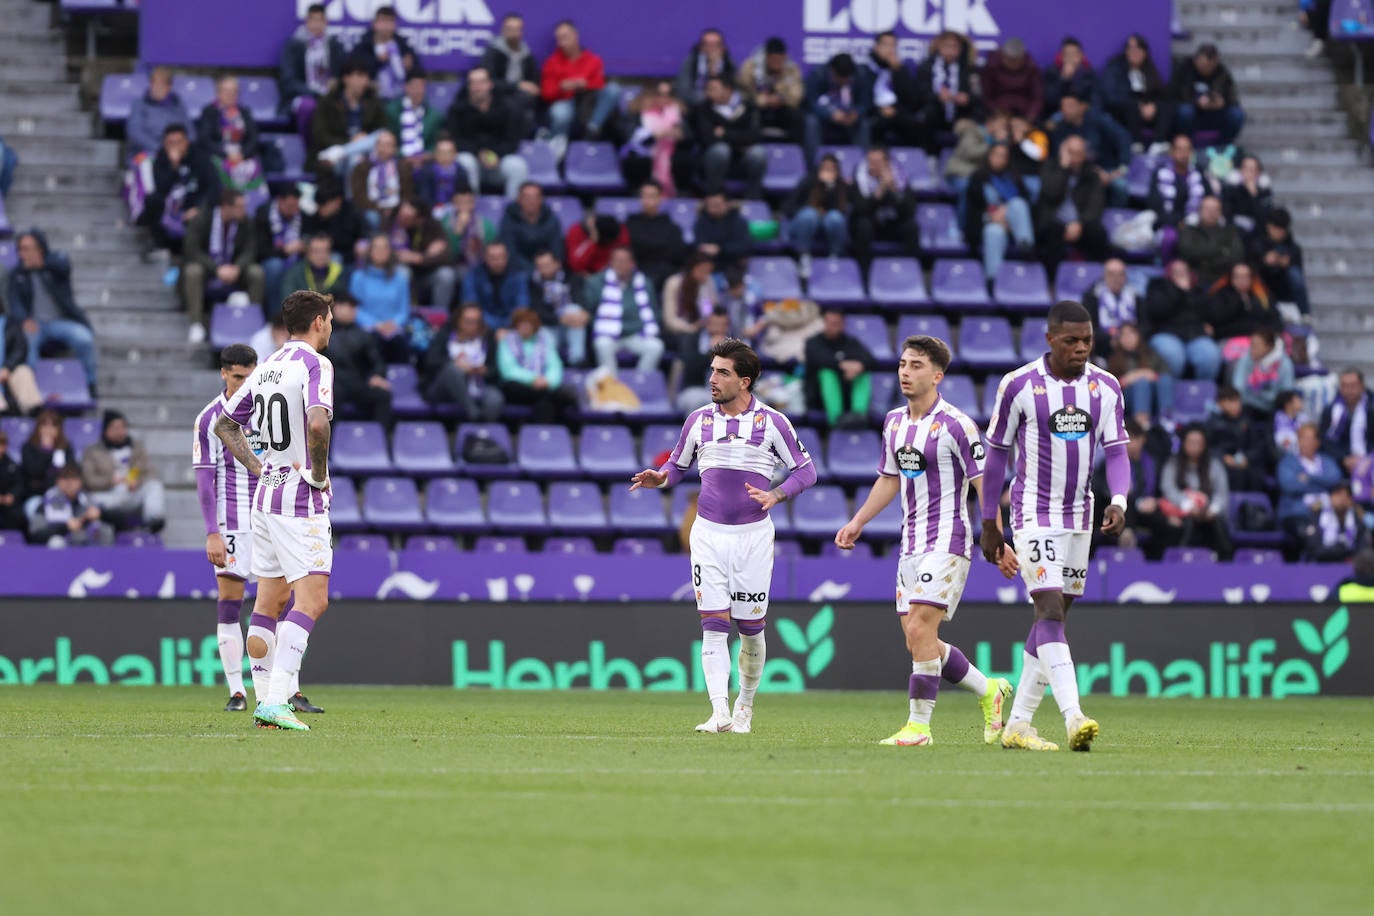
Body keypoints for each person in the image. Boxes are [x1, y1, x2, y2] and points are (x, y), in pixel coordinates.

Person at [835, 334, 1016, 747]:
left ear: (937, 375)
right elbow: (889, 477)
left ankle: (919, 728)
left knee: (919, 629)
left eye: (915, 365)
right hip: (910, 543)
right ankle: (989, 690)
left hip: (948, 540)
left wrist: (997, 539)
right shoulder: (894, 422)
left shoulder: (956, 424)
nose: (905, 371)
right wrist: (858, 521)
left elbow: (984, 486)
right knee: (920, 640)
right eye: (902, 363)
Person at [630, 338, 817, 733]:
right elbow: (678, 465)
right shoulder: (698, 419)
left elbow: (806, 471)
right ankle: (719, 712)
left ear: (744, 381)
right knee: (713, 624)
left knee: (751, 630)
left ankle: (745, 707)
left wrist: (777, 493)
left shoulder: (773, 423)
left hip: (752, 537)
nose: (712, 379)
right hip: (708, 535)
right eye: (712, 370)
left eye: (722, 372)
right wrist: (661, 477)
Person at [981, 300, 1131, 752]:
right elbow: (996, 457)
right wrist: (990, 522)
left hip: (1080, 515)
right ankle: (1074, 717)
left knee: (1054, 620)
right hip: (1033, 514)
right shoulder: (1019, 385)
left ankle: (1019, 723)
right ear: (1050, 339)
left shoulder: (1106, 387)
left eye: (1087, 340)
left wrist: (1119, 500)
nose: (1081, 347)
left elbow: (1119, 451)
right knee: (1048, 611)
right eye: (1071, 340)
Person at [215, 289, 336, 731]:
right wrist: (319, 477)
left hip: (265, 495)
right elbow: (318, 423)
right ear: (319, 321)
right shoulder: (314, 364)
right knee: (312, 598)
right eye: (330, 318)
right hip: (300, 498)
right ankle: (277, 697)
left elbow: (225, 424)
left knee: (269, 600)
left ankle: (266, 699)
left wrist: (258, 466)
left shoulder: (265, 368)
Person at [192, 343, 324, 716]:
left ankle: (288, 690)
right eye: (237, 377)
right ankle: (237, 690)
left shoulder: (267, 403)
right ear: (223, 374)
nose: (244, 383)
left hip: (275, 511)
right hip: (234, 522)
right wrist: (211, 531)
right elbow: (204, 480)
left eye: (250, 376)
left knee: (282, 603)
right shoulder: (209, 419)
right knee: (231, 604)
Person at [6, 231, 98, 391]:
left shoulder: (56, 262)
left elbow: (64, 266)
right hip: (35, 324)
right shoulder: (17, 273)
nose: (23, 253)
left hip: (61, 322)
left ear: (40, 248)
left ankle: (90, 383)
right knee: (27, 345)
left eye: (27, 248)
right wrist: (24, 319)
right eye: (21, 249)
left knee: (84, 339)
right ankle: (33, 388)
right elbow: (14, 303)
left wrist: (42, 264)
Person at [182, 190, 264, 343]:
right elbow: (192, 250)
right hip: (209, 270)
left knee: (256, 272)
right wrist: (216, 269)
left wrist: (237, 268)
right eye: (240, 207)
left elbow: (250, 249)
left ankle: (252, 322)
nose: (244, 210)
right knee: (193, 271)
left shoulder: (246, 221)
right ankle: (196, 324)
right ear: (226, 206)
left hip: (235, 271)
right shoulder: (202, 218)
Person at [540, 20, 622, 152]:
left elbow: (600, 85)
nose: (562, 43)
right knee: (559, 112)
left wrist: (585, 84)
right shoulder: (551, 62)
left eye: (565, 37)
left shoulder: (593, 60)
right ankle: (558, 150)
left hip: (589, 102)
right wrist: (562, 87)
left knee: (614, 89)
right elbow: (546, 93)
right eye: (559, 39)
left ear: (575, 35)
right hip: (567, 101)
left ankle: (593, 129)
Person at [448, 67, 529, 200]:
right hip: (473, 161)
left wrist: (496, 154)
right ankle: (469, 210)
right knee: (464, 161)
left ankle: (512, 212)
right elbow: (456, 140)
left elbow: (513, 141)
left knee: (518, 165)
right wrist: (479, 153)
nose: (476, 87)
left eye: (480, 83)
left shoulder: (506, 108)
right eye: (472, 83)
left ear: (489, 84)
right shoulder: (458, 110)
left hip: (499, 162)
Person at [80, 410, 165, 533]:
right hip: (107, 495)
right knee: (91, 500)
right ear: (106, 430)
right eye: (115, 428)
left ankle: (153, 522)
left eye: (122, 427)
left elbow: (150, 472)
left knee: (154, 486)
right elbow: (88, 480)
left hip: (130, 493)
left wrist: (137, 481)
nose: (120, 431)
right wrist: (110, 481)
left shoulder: (137, 448)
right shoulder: (93, 452)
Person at [1034, 136, 1107, 276]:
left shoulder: (1091, 174)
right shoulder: (1050, 167)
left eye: (1079, 153)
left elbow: (1096, 204)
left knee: (1098, 233)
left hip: (1080, 223)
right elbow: (1051, 193)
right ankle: (1052, 280)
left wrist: (1080, 223)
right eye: (1071, 152)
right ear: (1063, 152)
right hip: (1053, 222)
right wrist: (1063, 168)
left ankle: (1097, 278)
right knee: (1053, 233)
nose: (1075, 157)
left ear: (1085, 154)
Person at [962, 142, 1035, 281]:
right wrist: (992, 218)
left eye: (1003, 156)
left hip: (1014, 224)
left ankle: (1026, 246)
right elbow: (972, 212)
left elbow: (1027, 207)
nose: (999, 159)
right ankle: (993, 279)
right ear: (989, 156)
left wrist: (1006, 214)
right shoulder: (978, 178)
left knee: (1018, 203)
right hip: (988, 222)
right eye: (996, 155)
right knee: (993, 232)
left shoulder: (1015, 178)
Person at [1143, 259, 1221, 388]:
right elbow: (1158, 311)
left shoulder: (1197, 290)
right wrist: (1178, 290)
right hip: (1166, 332)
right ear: (1169, 274)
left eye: (1184, 271)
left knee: (1210, 355)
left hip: (1194, 334)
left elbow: (1208, 312)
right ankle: (1171, 392)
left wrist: (1207, 324)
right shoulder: (1158, 286)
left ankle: (1201, 393)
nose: (1181, 275)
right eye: (1176, 272)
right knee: (1174, 355)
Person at [143, 124, 219, 256]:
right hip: (170, 208)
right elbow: (160, 188)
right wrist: (174, 166)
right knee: (152, 200)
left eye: (179, 142)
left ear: (187, 142)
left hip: (193, 206)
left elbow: (213, 186)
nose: (175, 146)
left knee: (207, 211)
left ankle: (195, 252)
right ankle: (159, 246)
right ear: (164, 144)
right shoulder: (160, 160)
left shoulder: (201, 158)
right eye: (170, 143)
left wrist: (198, 208)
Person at [1159, 424, 1233, 559]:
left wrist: (1213, 509)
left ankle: (1224, 565)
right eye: (1191, 442)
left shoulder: (1214, 465)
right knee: (1175, 526)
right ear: (1183, 444)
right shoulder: (1173, 464)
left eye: (1198, 443)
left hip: (1208, 515)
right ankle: (1178, 561)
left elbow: (1222, 494)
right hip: (1182, 513)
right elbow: (1168, 488)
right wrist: (1186, 504)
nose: (1194, 446)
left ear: (1204, 445)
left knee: (1219, 527)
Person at [420, 302, 503, 419]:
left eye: (476, 322)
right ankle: (474, 414)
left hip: (478, 384)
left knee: (495, 398)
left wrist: (484, 371)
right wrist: (456, 363)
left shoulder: (488, 338)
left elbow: (495, 369)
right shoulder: (445, 334)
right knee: (453, 370)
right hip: (444, 387)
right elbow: (431, 361)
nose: (472, 325)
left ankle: (482, 433)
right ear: (458, 321)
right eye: (468, 321)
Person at [691, 74, 766, 200]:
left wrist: (725, 133)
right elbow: (707, 138)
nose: (708, 92)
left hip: (742, 161)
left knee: (759, 153)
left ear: (728, 90)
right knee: (721, 150)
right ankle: (714, 196)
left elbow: (756, 136)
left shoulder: (748, 107)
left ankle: (753, 200)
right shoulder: (704, 109)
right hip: (713, 161)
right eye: (707, 89)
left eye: (713, 89)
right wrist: (740, 141)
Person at [589, 247, 664, 372]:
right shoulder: (597, 282)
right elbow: (590, 312)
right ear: (610, 263)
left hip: (636, 334)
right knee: (601, 344)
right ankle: (611, 386)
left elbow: (653, 313)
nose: (620, 264)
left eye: (624, 261)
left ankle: (639, 382)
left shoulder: (644, 283)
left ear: (632, 263)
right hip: (609, 334)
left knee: (656, 346)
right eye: (616, 260)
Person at [278, 3, 345, 141]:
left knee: (340, 107)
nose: (316, 25)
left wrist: (335, 83)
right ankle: (308, 150)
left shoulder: (335, 45)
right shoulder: (294, 45)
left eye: (319, 20)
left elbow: (343, 75)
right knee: (308, 106)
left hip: (330, 96)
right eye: (312, 20)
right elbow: (287, 81)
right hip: (302, 95)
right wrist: (313, 91)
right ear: (306, 22)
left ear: (326, 22)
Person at [496, 308, 576, 423]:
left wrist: (548, 381)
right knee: (513, 386)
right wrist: (533, 379)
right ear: (516, 325)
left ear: (535, 326)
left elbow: (555, 366)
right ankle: (558, 397)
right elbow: (508, 370)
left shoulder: (545, 340)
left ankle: (541, 435)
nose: (525, 327)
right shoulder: (506, 340)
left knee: (544, 404)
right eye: (521, 324)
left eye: (528, 324)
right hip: (518, 388)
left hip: (542, 387)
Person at [326, 293, 393, 427]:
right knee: (330, 397)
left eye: (354, 307)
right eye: (349, 306)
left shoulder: (364, 335)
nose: (353, 310)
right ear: (336, 307)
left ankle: (382, 442)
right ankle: (328, 445)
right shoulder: (322, 333)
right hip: (332, 384)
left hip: (358, 382)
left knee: (383, 395)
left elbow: (377, 361)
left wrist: (377, 375)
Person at [311, 59, 387, 175]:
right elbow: (320, 136)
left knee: (381, 135)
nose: (365, 81)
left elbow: (383, 130)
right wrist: (349, 142)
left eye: (366, 76)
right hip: (335, 158)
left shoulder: (373, 102)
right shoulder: (328, 102)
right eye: (360, 76)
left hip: (365, 152)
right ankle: (347, 152)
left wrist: (364, 139)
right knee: (354, 159)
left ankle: (344, 151)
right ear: (346, 78)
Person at [805, 309, 876, 428]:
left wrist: (859, 366)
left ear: (843, 324)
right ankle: (836, 418)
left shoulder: (850, 342)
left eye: (837, 323)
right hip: (819, 399)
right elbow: (819, 360)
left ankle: (859, 414)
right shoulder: (813, 342)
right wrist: (844, 367)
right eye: (830, 323)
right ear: (824, 323)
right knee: (827, 373)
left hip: (847, 395)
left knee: (863, 373)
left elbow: (870, 359)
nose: (833, 327)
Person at [1099, 33, 1173, 147]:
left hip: (1146, 112)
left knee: (1166, 106)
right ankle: (1136, 144)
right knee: (1131, 106)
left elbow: (1161, 94)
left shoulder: (1150, 70)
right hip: (1122, 111)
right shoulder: (1115, 68)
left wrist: (1153, 106)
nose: (1134, 52)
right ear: (1126, 51)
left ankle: (1158, 144)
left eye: (1138, 48)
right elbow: (1110, 96)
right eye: (1130, 48)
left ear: (1145, 52)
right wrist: (1137, 105)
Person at [348, 233, 411, 363]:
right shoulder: (358, 277)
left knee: (399, 344)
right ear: (370, 252)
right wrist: (376, 325)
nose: (381, 252)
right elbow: (354, 308)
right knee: (371, 343)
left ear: (390, 251)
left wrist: (394, 324)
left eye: (384, 248)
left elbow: (404, 310)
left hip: (394, 329)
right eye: (377, 248)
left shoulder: (400, 277)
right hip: (367, 328)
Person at [851, 146, 918, 267]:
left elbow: (910, 210)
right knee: (863, 225)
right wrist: (879, 192)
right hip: (872, 226)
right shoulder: (860, 177)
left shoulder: (900, 178)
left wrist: (894, 190)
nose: (872, 165)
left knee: (911, 227)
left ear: (887, 164)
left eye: (876, 162)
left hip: (894, 224)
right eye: (870, 162)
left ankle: (910, 269)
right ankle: (864, 272)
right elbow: (860, 210)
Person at [1278, 422, 1345, 544]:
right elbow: (1289, 485)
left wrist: (1309, 477)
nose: (1305, 442)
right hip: (1298, 514)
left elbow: (1336, 479)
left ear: (1317, 442)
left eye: (1309, 438)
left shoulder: (1327, 461)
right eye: (1301, 438)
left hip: (1328, 512)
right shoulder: (1287, 462)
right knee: (1309, 534)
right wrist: (1323, 485)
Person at [784, 154, 853, 272]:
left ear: (837, 172)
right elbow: (789, 208)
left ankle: (835, 257)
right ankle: (803, 256)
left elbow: (841, 210)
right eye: (825, 168)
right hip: (802, 225)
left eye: (832, 169)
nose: (827, 172)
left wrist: (829, 188)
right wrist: (813, 208)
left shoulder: (841, 186)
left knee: (835, 218)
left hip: (828, 226)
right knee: (809, 215)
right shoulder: (808, 182)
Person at [385, 197, 455, 310]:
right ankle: (403, 314)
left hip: (426, 275)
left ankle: (439, 317)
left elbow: (446, 256)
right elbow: (379, 251)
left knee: (446, 274)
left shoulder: (432, 227)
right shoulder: (390, 223)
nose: (401, 218)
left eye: (406, 217)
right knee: (403, 272)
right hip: (399, 272)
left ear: (419, 219)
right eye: (400, 214)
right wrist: (397, 255)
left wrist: (421, 258)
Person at [479, 12, 541, 134]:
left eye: (517, 29)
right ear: (503, 30)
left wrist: (533, 88)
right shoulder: (493, 53)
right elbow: (489, 82)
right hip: (497, 97)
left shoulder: (527, 55)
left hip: (522, 100)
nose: (514, 34)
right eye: (510, 29)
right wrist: (517, 85)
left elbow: (534, 82)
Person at [1171, 44, 1244, 145]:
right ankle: (1187, 145)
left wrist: (1222, 103)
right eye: (1204, 65)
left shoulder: (1222, 73)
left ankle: (1222, 146)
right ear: (1196, 60)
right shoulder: (1185, 69)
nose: (1208, 69)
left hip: (1215, 114)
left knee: (1237, 114)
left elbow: (1233, 97)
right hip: (1194, 113)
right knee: (1185, 111)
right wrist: (1197, 102)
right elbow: (1175, 95)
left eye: (1211, 66)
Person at [736, 37, 804, 144]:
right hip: (758, 108)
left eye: (779, 60)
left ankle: (794, 152)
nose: (776, 63)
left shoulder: (791, 69)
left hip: (781, 108)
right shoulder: (750, 67)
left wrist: (780, 97)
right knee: (749, 113)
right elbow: (744, 94)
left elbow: (796, 97)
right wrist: (765, 100)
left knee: (797, 116)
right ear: (766, 57)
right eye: (773, 60)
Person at [915, 32, 980, 145]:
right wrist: (937, 96)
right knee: (927, 115)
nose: (950, 50)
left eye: (954, 47)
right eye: (946, 46)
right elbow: (918, 93)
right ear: (939, 46)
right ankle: (929, 156)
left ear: (960, 49)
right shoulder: (926, 66)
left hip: (960, 114)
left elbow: (978, 95)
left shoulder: (969, 69)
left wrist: (967, 98)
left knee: (972, 123)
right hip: (936, 113)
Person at [1205, 385, 1273, 493]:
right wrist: (1223, 457)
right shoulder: (1212, 423)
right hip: (1222, 463)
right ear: (1220, 403)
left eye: (1238, 401)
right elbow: (1207, 448)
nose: (1236, 405)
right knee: (1234, 475)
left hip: (1244, 461)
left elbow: (1255, 446)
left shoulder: (1247, 421)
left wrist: (1247, 458)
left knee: (1257, 474)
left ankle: (1254, 506)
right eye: (1231, 401)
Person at [804, 53, 872, 159]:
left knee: (864, 124)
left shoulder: (861, 75)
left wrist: (856, 113)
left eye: (846, 78)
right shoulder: (818, 74)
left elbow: (865, 102)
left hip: (850, 117)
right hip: (825, 117)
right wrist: (830, 114)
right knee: (811, 122)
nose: (843, 81)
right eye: (839, 78)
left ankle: (863, 166)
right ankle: (814, 166)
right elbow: (811, 102)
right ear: (832, 70)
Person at [530, 249, 589, 365]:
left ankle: (577, 360)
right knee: (543, 334)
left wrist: (584, 313)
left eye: (547, 265)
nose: (544, 269)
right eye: (540, 266)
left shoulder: (572, 278)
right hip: (551, 326)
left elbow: (581, 301)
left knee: (575, 310)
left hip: (572, 324)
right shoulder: (533, 283)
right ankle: (551, 368)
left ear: (557, 264)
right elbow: (537, 312)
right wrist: (560, 319)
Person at [31, 465, 113, 548]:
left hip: (87, 548)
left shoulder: (89, 500)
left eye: (73, 478)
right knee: (56, 542)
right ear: (57, 482)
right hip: (62, 551)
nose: (69, 482)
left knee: (105, 530)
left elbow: (121, 519)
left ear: (81, 482)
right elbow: (35, 534)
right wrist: (66, 527)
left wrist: (100, 513)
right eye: (64, 478)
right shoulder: (46, 503)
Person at [864, 31, 922, 148]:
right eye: (886, 45)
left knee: (914, 123)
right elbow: (863, 97)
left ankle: (913, 160)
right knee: (874, 124)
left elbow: (912, 100)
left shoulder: (901, 69)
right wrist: (879, 109)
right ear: (876, 47)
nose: (890, 50)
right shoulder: (866, 70)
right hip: (874, 112)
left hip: (897, 111)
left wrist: (898, 71)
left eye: (893, 46)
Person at [1247, 208, 1309, 316]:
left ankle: (1304, 314)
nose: (1279, 233)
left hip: (1285, 291)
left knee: (1294, 274)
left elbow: (1298, 274)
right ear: (1269, 227)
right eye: (1276, 228)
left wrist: (1284, 263)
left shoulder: (1293, 249)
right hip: (1262, 290)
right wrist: (1264, 262)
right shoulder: (1256, 245)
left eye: (1282, 230)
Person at [1147, 134, 1215, 232]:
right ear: (1172, 152)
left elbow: (1209, 197)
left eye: (1187, 149)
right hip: (1168, 223)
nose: (1184, 153)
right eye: (1180, 149)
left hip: (1197, 224)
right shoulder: (1160, 173)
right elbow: (1154, 205)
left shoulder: (1198, 171)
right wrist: (1179, 222)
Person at [626, 181, 686, 292]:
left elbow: (676, 255)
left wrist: (646, 246)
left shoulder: (671, 227)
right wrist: (658, 247)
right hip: (638, 269)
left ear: (660, 198)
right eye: (644, 196)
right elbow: (630, 250)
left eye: (652, 196)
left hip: (665, 272)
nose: (647, 200)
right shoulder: (630, 224)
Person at [349, 130, 413, 232]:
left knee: (407, 213)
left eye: (387, 145)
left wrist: (397, 207)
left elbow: (407, 192)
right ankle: (376, 245)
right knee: (372, 218)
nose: (382, 148)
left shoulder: (402, 167)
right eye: (379, 144)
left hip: (396, 207)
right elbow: (358, 195)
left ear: (394, 149)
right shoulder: (362, 167)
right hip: (371, 208)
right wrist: (379, 209)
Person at [352, 5, 419, 101]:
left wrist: (410, 66)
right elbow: (354, 74)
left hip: (401, 99)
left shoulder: (404, 47)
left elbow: (418, 72)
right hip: (370, 99)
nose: (386, 26)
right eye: (383, 21)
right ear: (375, 24)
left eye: (390, 21)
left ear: (395, 25)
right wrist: (377, 61)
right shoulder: (363, 47)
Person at [255, 185, 305, 311]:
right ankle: (275, 314)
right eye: (290, 206)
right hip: (270, 260)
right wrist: (285, 251)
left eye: (296, 206)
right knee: (275, 266)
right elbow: (260, 250)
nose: (293, 210)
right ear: (280, 201)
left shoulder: (302, 216)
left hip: (297, 259)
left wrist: (304, 245)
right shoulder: (263, 215)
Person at [1176, 195, 1244, 289]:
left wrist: (1205, 261)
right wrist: (1222, 250)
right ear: (1199, 211)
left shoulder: (1229, 231)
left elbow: (1236, 255)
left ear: (1220, 212)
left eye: (1215, 209)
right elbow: (1188, 252)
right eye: (1207, 208)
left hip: (1224, 281)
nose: (1211, 212)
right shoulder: (1188, 230)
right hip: (1195, 281)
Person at [1208, 261, 1281, 346]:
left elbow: (1274, 316)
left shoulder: (1261, 294)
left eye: (1246, 276)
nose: (1242, 280)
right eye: (1238, 277)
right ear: (1231, 278)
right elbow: (1218, 321)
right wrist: (1239, 301)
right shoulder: (1220, 295)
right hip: (1231, 338)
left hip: (1261, 338)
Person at [1106, 322, 1165, 426]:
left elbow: (1165, 374)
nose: (1127, 338)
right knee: (1141, 383)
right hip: (1126, 398)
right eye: (1123, 335)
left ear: (1138, 335)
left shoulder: (1151, 354)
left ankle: (1167, 419)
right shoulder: (1113, 359)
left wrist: (1151, 375)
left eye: (1131, 333)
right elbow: (1108, 387)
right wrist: (1126, 379)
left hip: (1154, 395)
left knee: (1164, 381)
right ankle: (1141, 423)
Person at [462, 241, 528, 331]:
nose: (497, 261)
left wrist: (509, 325)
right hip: (483, 323)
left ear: (506, 257)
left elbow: (522, 304)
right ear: (485, 258)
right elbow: (470, 303)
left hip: (512, 322)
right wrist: (493, 325)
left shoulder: (518, 274)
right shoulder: (474, 274)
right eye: (493, 257)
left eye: (501, 257)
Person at [127, 66, 192, 157]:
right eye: (154, 83)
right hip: (149, 151)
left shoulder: (179, 105)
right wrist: (161, 148)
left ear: (169, 86)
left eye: (162, 84)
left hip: (178, 151)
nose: (157, 87)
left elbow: (190, 132)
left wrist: (182, 146)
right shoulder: (139, 104)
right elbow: (135, 132)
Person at [195, 75, 262, 164]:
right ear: (218, 93)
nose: (230, 95)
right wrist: (227, 155)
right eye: (226, 91)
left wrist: (243, 154)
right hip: (217, 158)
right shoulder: (209, 112)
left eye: (234, 91)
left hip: (243, 157)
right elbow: (205, 139)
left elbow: (253, 137)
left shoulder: (244, 112)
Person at [675, 308, 733, 411]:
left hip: (724, 391)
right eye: (715, 324)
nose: (718, 329)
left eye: (723, 325)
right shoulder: (692, 339)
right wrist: (711, 352)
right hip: (695, 389)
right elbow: (690, 370)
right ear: (707, 324)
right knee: (695, 400)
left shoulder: (733, 343)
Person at [500, 181, 565, 270]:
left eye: (535, 197)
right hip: (516, 270)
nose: (531, 201)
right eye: (527, 198)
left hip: (546, 269)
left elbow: (556, 250)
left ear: (541, 199)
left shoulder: (552, 220)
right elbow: (510, 251)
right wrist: (532, 271)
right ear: (519, 199)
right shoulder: (509, 219)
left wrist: (547, 266)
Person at [1320, 368, 1374, 472]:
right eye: (1344, 386)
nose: (1348, 390)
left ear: (1362, 386)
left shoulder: (1371, 408)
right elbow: (1325, 441)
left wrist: (1367, 459)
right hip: (1341, 461)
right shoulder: (1330, 411)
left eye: (1353, 386)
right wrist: (1344, 459)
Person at [1083, 258, 1137, 358]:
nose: (1116, 278)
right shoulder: (1092, 297)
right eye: (1111, 274)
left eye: (1120, 274)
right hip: (1103, 347)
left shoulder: (1136, 297)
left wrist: (1132, 337)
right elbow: (1088, 327)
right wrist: (1111, 338)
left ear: (1125, 277)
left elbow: (1144, 325)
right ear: (1104, 276)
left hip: (1133, 347)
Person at [980, 36, 1043, 122]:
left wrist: (1030, 116)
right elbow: (986, 95)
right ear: (1003, 55)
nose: (1011, 62)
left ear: (1022, 58)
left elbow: (1037, 97)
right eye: (1008, 59)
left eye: (1015, 60)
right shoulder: (992, 67)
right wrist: (995, 112)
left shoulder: (1031, 68)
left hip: (1024, 115)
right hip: (998, 114)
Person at [386, 71, 444, 164]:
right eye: (414, 87)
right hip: (398, 159)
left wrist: (427, 155)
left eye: (421, 87)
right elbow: (388, 139)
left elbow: (435, 143)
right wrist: (401, 155)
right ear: (406, 87)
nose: (418, 91)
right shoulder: (392, 111)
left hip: (425, 162)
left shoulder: (434, 115)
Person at [1304, 482, 1370, 562]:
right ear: (1331, 497)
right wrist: (1343, 549)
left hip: (1350, 565)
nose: (1342, 499)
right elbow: (1314, 548)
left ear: (1351, 501)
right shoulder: (1318, 516)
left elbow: (1363, 548)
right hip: (1321, 565)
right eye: (1338, 494)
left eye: (1347, 496)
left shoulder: (1357, 519)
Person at [302, 174, 361, 262]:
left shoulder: (351, 214)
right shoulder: (316, 216)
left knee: (335, 258)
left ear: (337, 202)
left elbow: (349, 241)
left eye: (324, 205)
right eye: (319, 205)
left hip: (344, 256)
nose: (320, 209)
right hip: (319, 252)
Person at [661, 253, 719, 342]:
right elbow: (670, 320)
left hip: (703, 328)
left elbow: (714, 308)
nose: (706, 275)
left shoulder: (708, 281)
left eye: (709, 271)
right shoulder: (674, 283)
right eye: (703, 271)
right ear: (692, 268)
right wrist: (690, 328)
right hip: (680, 331)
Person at [691, 189, 751, 271]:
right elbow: (699, 244)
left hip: (733, 268)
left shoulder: (738, 221)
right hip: (708, 268)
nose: (712, 209)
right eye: (709, 205)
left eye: (716, 205)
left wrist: (720, 249)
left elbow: (743, 246)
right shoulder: (701, 221)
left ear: (727, 204)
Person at [21, 409, 75, 499]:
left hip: (64, 493)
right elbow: (34, 472)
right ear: (38, 428)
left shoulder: (66, 447)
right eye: (44, 425)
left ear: (59, 429)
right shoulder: (28, 448)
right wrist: (46, 450)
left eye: (53, 426)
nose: (48, 430)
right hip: (37, 494)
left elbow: (70, 470)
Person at [676, 28, 735, 108]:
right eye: (707, 44)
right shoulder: (691, 63)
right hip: (696, 109)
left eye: (715, 45)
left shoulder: (729, 64)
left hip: (724, 109)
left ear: (722, 47)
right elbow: (684, 92)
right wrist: (709, 96)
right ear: (701, 47)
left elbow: (735, 93)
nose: (711, 49)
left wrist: (715, 71)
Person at [281, 233, 349, 303]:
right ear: (308, 253)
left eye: (326, 251)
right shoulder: (294, 273)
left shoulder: (339, 272)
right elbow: (288, 302)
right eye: (317, 251)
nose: (322, 255)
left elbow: (344, 301)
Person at [1042, 37, 1098, 115]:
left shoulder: (1089, 73)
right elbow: (1050, 100)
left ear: (1081, 56)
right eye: (1067, 54)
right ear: (1061, 57)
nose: (1070, 58)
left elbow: (1095, 99)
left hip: (1083, 113)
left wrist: (1082, 107)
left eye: (1074, 54)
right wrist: (1063, 79)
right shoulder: (1052, 72)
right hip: (1059, 113)